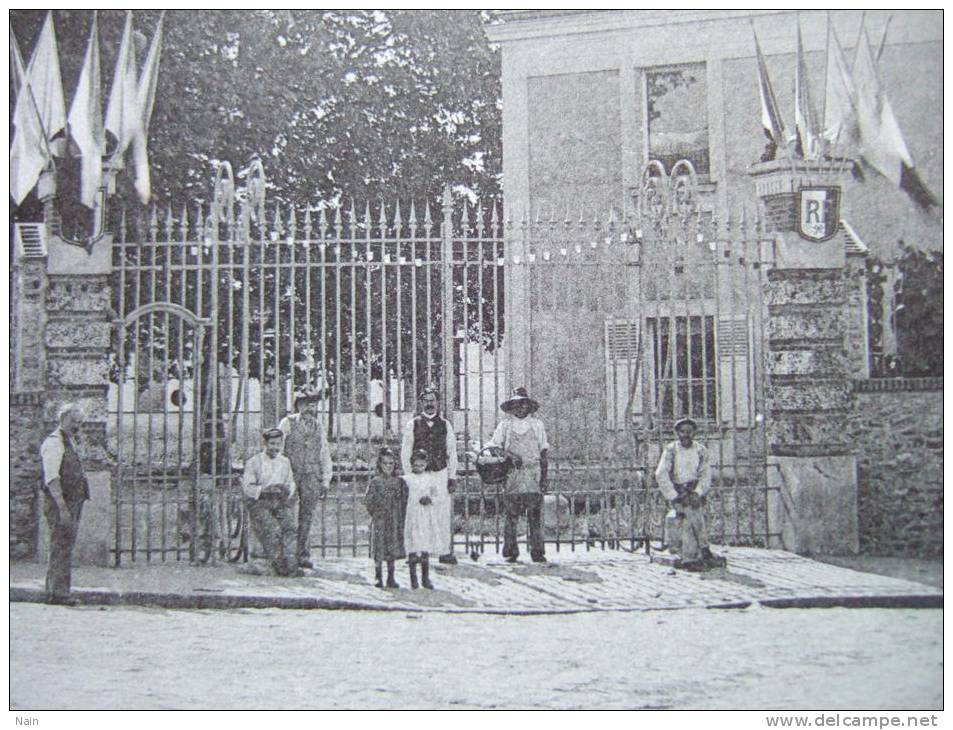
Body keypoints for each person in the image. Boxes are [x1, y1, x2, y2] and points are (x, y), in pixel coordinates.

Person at [486, 387, 550, 563]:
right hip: (513, 474)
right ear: (511, 407)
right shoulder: (505, 426)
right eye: (516, 405)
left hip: (532, 473)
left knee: (535, 513)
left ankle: (537, 551)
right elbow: (494, 447)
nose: (520, 408)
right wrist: (509, 456)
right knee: (511, 514)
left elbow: (544, 451)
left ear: (529, 406)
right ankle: (511, 551)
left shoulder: (537, 425)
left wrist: (544, 477)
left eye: (523, 404)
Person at [654, 417, 722, 569]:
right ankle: (701, 551)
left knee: (691, 513)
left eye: (689, 432)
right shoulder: (671, 450)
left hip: (694, 490)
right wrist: (673, 495)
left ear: (694, 433)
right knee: (690, 514)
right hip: (678, 491)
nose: (686, 435)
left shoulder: (701, 450)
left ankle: (691, 557)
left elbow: (705, 474)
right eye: (682, 432)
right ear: (677, 433)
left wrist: (698, 492)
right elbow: (661, 473)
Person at [400, 386, 458, 565]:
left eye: (433, 400)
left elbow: (452, 452)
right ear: (421, 403)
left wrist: (452, 476)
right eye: (426, 400)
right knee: (418, 512)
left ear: (438, 402)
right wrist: (410, 477)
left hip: (440, 473)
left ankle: (444, 551)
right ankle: (416, 552)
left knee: (441, 512)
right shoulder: (413, 424)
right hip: (419, 474)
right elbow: (405, 452)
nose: (430, 404)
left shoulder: (445, 424)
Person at [39, 403, 90, 605]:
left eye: (79, 422)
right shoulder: (54, 442)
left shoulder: (69, 441)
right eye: (73, 421)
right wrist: (62, 507)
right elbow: (51, 478)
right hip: (61, 503)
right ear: (62, 419)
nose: (76, 426)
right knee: (60, 546)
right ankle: (58, 594)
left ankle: (57, 591)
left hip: (72, 502)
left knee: (64, 546)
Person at [278, 387, 333, 569]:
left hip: (311, 476)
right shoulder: (287, 423)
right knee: (288, 516)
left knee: (306, 517)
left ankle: (303, 554)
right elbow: (278, 450)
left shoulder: (319, 426)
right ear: (298, 405)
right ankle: (287, 554)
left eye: (313, 404)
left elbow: (324, 453)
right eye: (305, 404)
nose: (309, 408)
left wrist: (325, 479)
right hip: (291, 476)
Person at [242, 428, 300, 577]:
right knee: (271, 528)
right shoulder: (254, 462)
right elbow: (247, 487)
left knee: (290, 527)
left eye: (278, 444)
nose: (275, 447)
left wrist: (287, 490)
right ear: (265, 443)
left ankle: (290, 563)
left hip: (279, 502)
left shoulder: (285, 461)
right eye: (272, 443)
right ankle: (278, 565)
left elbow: (290, 482)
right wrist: (264, 490)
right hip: (260, 502)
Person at [364, 447, 407, 589]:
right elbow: (368, 501)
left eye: (391, 464)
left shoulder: (398, 482)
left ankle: (391, 577)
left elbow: (403, 500)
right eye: (385, 463)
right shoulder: (376, 481)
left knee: (392, 548)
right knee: (379, 548)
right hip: (380, 520)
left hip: (394, 519)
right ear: (380, 465)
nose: (388, 467)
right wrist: (376, 513)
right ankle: (378, 576)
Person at [403, 449, 443, 589]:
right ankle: (413, 579)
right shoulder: (407, 479)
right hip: (413, 515)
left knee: (425, 545)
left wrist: (430, 499)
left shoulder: (430, 479)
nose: (419, 468)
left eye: (422, 465)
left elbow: (438, 496)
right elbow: (403, 498)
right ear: (412, 464)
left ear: (426, 464)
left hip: (426, 516)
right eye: (416, 465)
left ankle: (425, 578)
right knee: (413, 546)